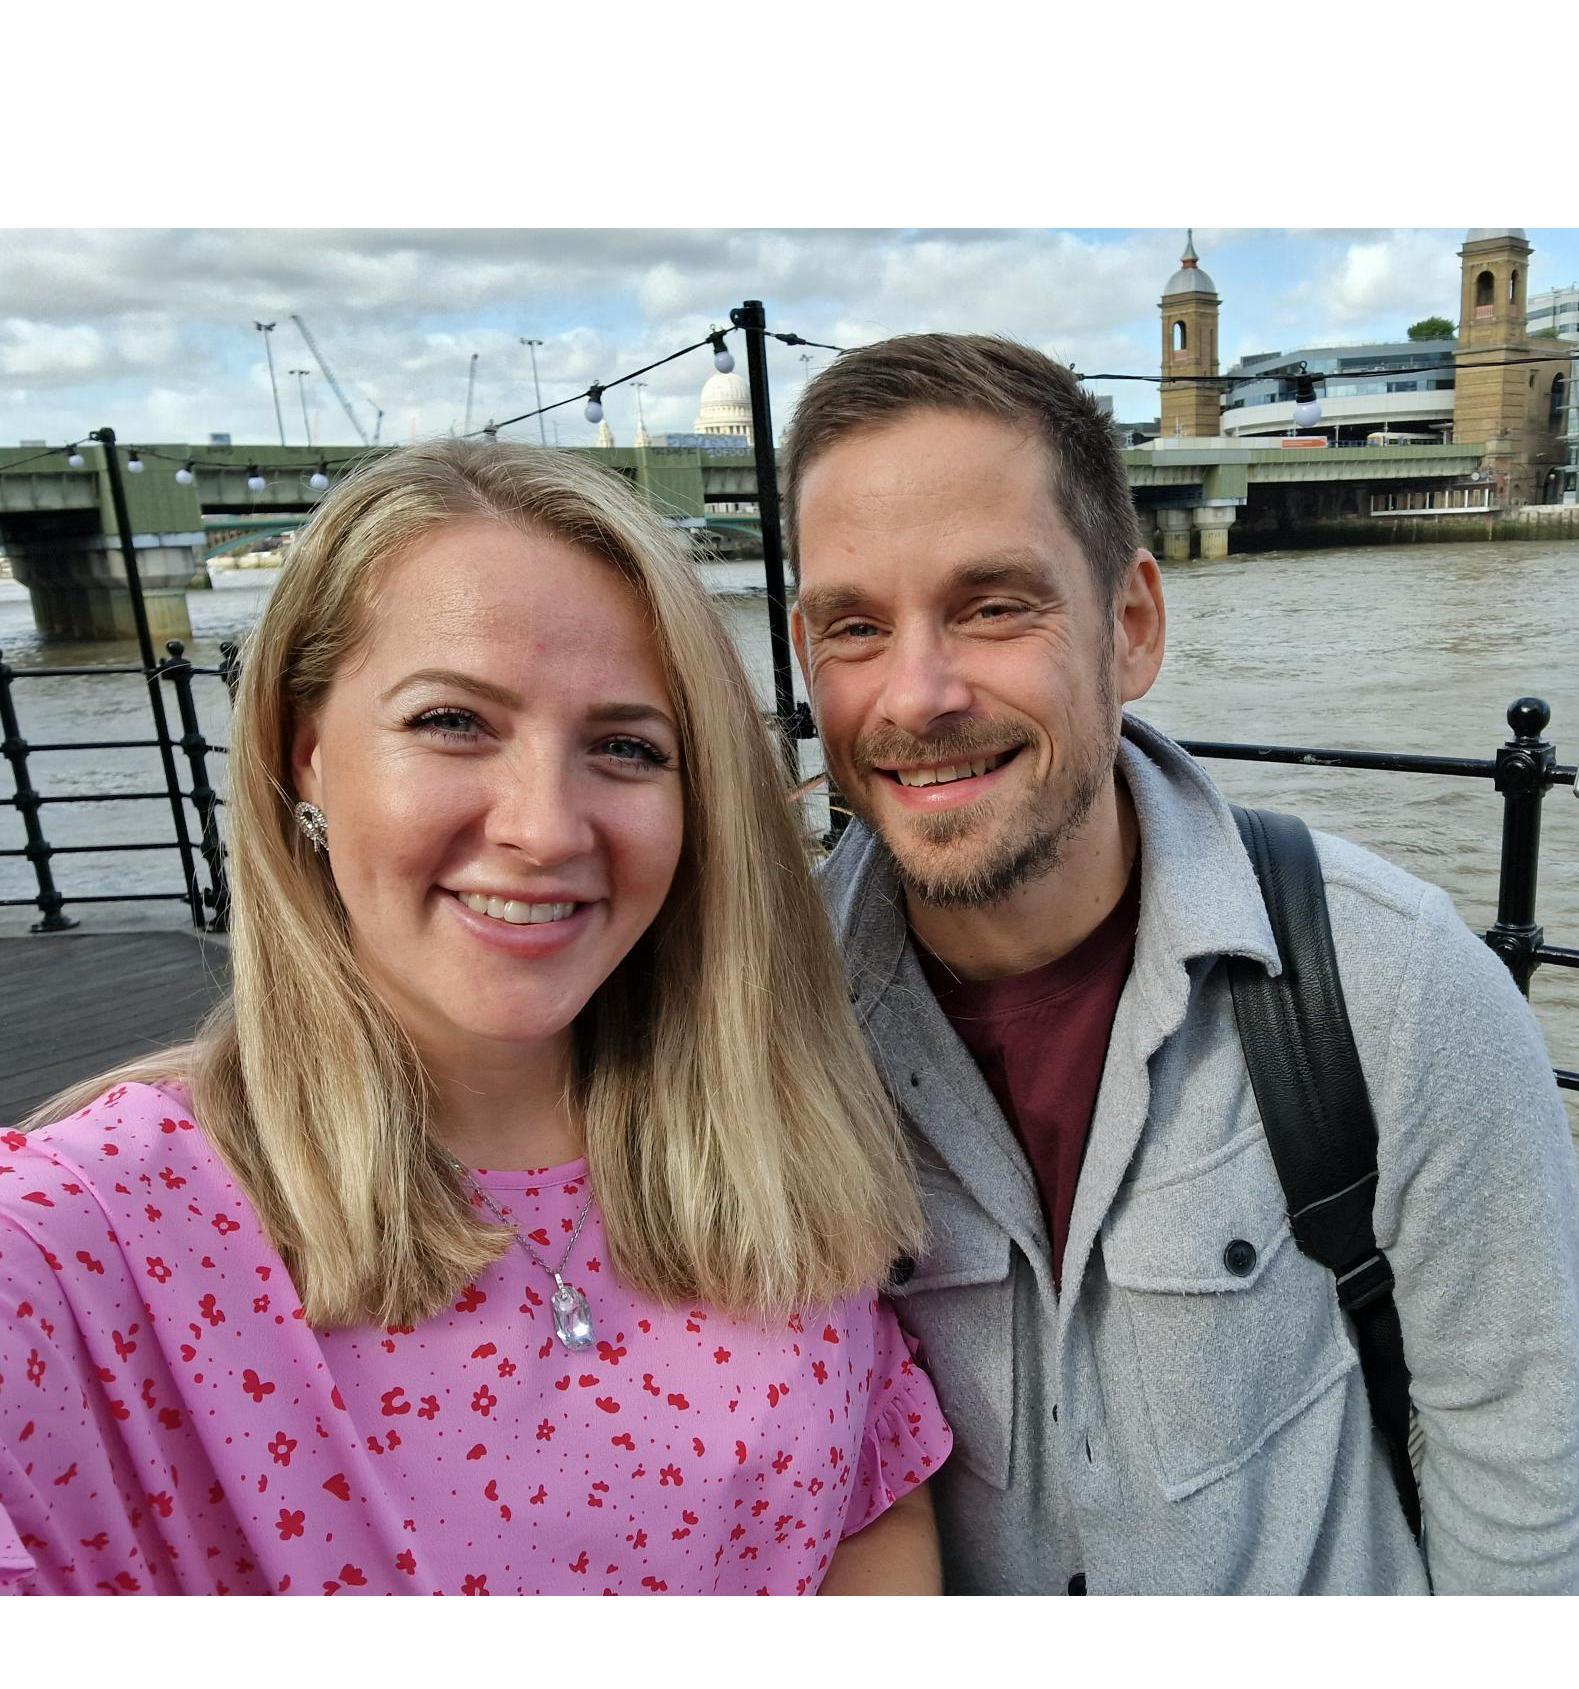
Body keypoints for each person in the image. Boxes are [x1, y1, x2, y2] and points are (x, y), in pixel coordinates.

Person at [0, 439, 948, 1596]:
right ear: (307, 756)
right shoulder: (81, 1243)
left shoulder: (778, 1146)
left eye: (626, 747)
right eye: (453, 721)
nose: (543, 828)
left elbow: (869, 1496)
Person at [783, 333, 1579, 1595]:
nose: (915, 695)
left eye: (994, 606)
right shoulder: (759, 1021)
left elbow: (1528, 1478)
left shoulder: (1388, 988)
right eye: (855, 627)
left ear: (1131, 627)